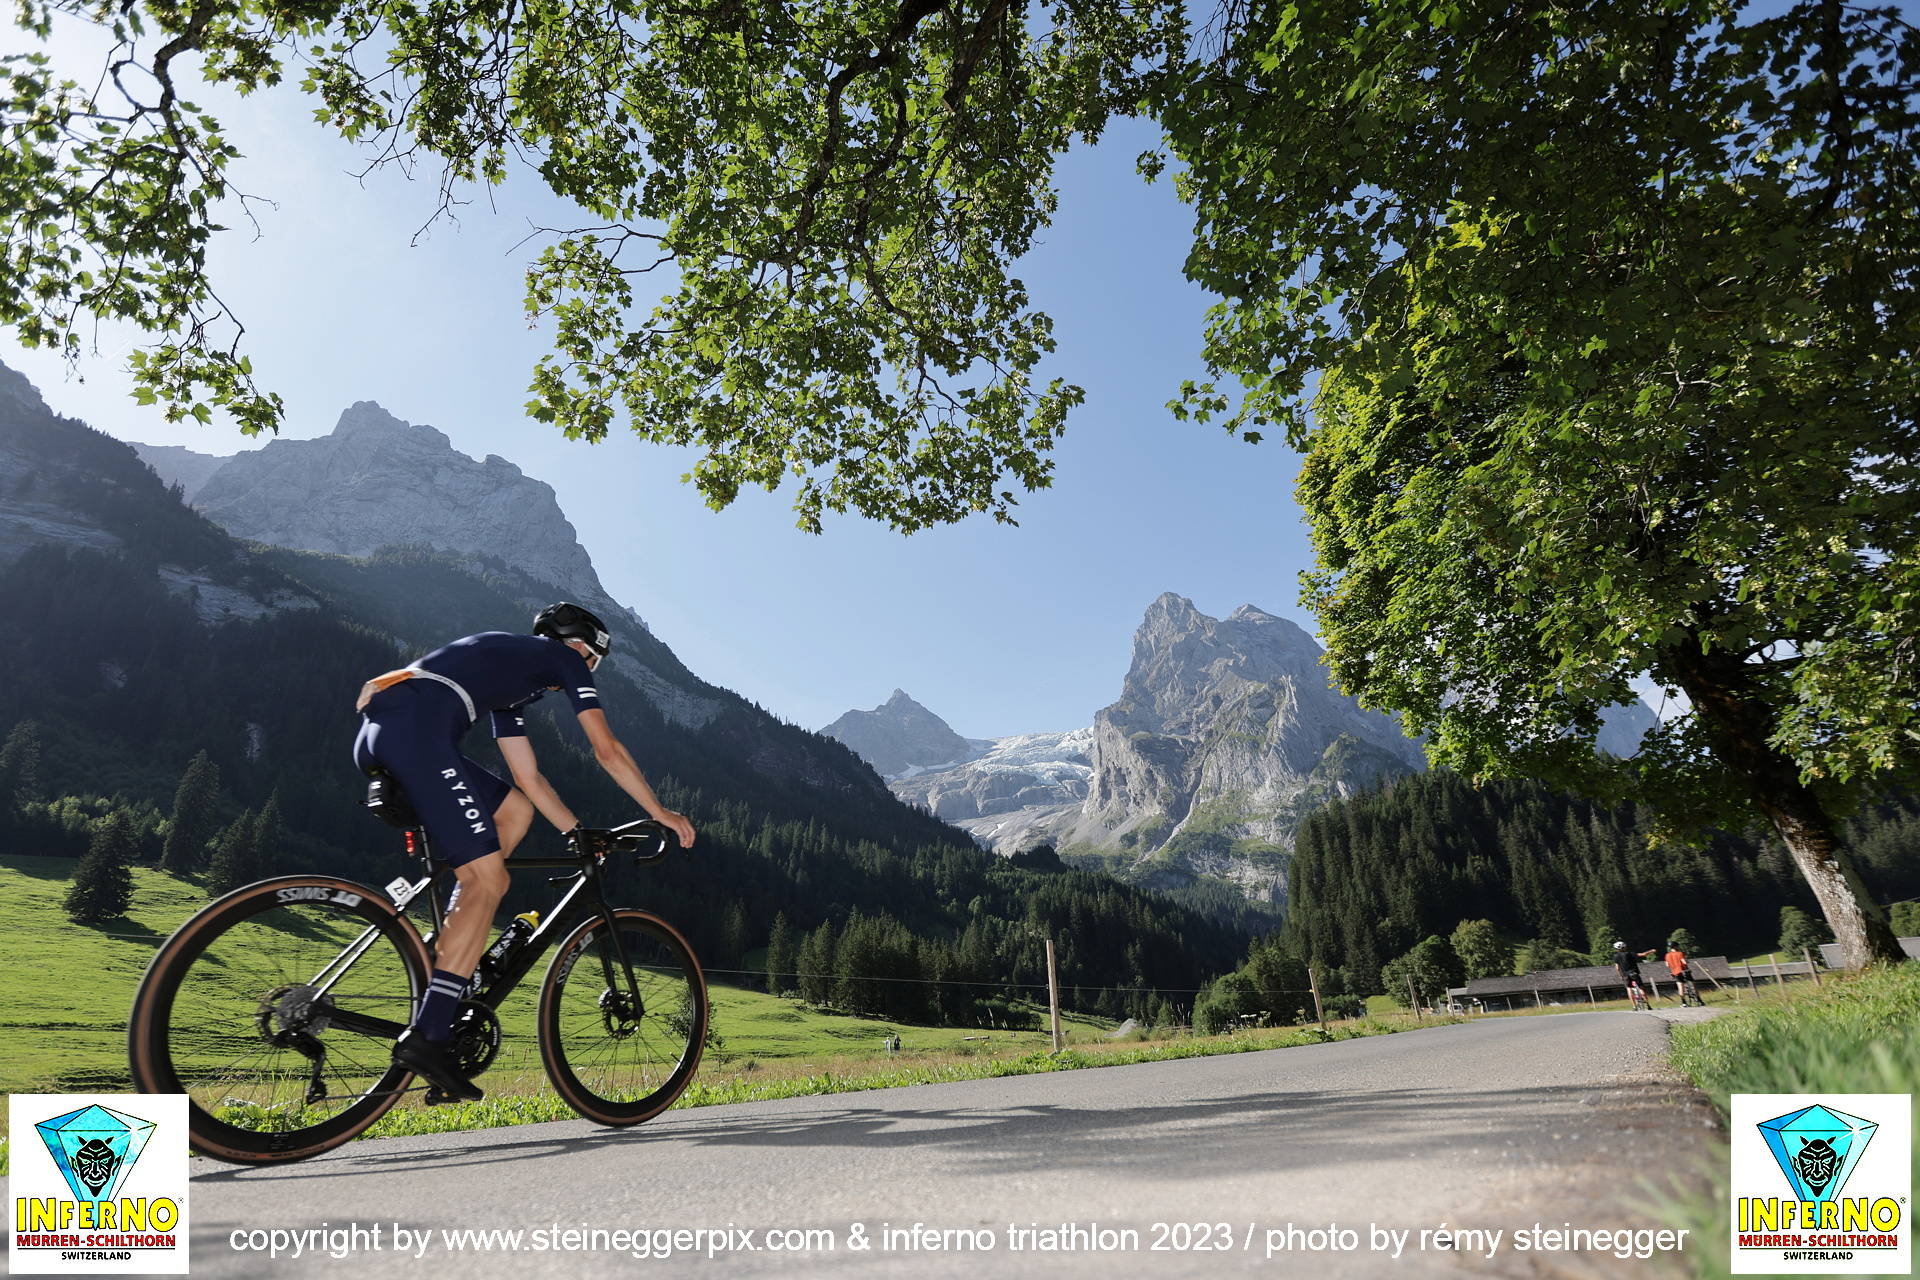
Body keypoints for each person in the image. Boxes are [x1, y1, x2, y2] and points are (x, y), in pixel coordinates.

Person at [352, 602, 697, 1100]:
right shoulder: (565, 659)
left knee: (513, 812)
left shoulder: (512, 680)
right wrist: (659, 810)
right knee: (490, 880)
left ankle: (450, 947)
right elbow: (606, 749)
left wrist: (576, 832)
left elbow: (528, 778)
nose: (589, 668)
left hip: (388, 730)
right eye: (594, 660)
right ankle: (429, 1035)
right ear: (582, 647)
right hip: (417, 733)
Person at [1610, 941, 1657, 1007]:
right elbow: (1643, 954)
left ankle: (1634, 1006)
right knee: (1641, 988)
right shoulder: (1630, 953)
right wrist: (1651, 951)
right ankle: (1648, 1004)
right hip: (1634, 973)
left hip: (1625, 975)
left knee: (1629, 989)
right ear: (1624, 947)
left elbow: (1617, 968)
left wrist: (1621, 975)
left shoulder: (1616, 956)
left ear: (1617, 949)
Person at [1664, 941, 1700, 1006]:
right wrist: (1687, 961)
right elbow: (1684, 962)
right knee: (1693, 985)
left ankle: (1683, 1002)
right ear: (1676, 946)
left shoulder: (1667, 955)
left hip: (1675, 972)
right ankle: (1699, 1000)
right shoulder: (1680, 953)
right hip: (1684, 970)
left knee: (1680, 986)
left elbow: (1667, 965)